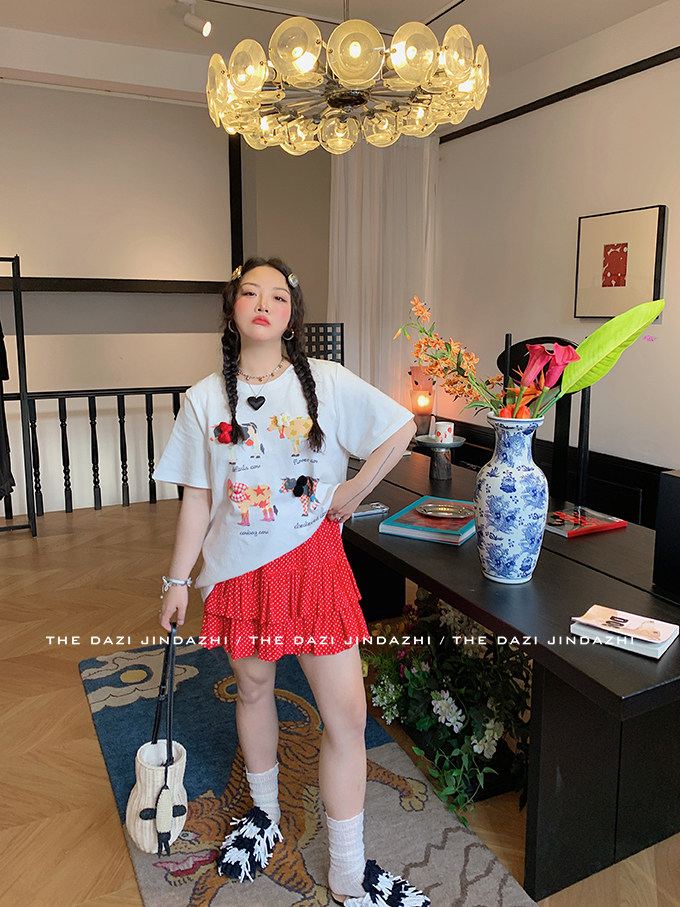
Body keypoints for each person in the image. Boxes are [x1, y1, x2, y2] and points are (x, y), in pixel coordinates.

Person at [154, 257, 428, 907]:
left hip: (314, 566)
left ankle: (347, 869)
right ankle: (266, 815)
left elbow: (401, 427)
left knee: (347, 716)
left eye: (277, 295)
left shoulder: (325, 381)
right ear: (232, 309)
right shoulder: (203, 398)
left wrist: (354, 488)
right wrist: (177, 580)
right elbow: (198, 498)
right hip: (239, 572)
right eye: (250, 292)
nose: (263, 303)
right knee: (253, 691)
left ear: (291, 314)